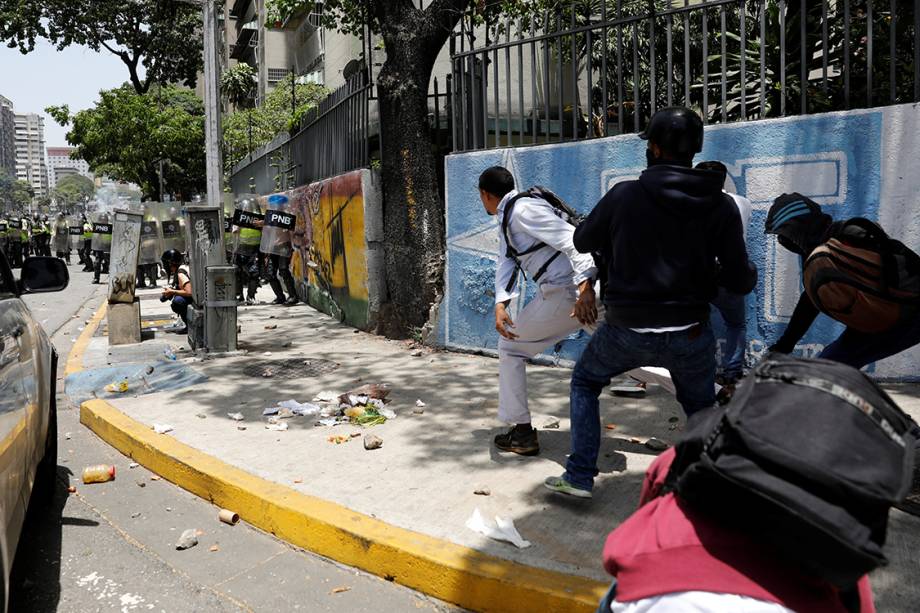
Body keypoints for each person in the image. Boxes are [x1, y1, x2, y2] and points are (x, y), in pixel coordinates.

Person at [544, 107, 757, 498]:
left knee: (587, 381)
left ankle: (578, 477)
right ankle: (703, 491)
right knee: (700, 408)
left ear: (654, 149)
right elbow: (740, 280)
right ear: (694, 149)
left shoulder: (625, 194)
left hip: (627, 329)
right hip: (691, 332)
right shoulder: (721, 205)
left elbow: (581, 241)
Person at [598, 445, 875, 613]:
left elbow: (639, 528)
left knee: (620, 585)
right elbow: (856, 594)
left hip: (659, 596)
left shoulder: (686, 454)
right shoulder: (835, 503)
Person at [478, 166, 599, 456]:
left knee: (510, 346)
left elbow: (573, 240)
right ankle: (708, 393)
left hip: (570, 294)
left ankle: (521, 432)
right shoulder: (510, 215)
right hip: (581, 292)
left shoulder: (522, 211)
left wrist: (585, 291)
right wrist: (501, 303)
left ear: (485, 194)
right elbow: (507, 260)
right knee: (627, 352)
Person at [765, 194, 920, 368]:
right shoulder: (818, 253)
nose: (783, 242)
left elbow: (901, 264)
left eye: (783, 236)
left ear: (797, 227)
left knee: (827, 372)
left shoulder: (847, 238)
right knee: (828, 368)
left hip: (904, 312)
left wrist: (784, 346)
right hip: (882, 315)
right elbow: (808, 302)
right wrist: (784, 346)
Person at [696, 160, 753, 397]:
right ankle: (732, 374)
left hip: (699, 276)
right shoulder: (742, 202)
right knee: (736, 324)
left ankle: (704, 374)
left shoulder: (692, 205)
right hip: (731, 273)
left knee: (699, 324)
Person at [161, 249, 192, 334]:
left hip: (194, 299)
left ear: (170, 263)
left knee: (178, 302)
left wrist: (173, 292)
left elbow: (189, 292)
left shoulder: (180, 273)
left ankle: (190, 327)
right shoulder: (181, 268)